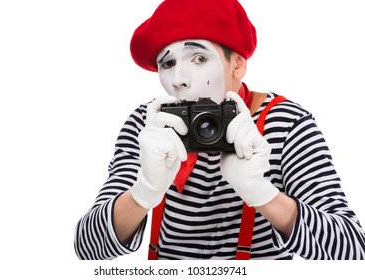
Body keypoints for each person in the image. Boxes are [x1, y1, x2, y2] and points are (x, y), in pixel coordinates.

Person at [74, 0, 365, 260]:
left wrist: (265, 195)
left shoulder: (287, 123)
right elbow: (88, 248)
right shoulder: (148, 124)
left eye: (199, 58)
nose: (178, 79)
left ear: (237, 65)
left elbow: (353, 252)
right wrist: (144, 191)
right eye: (168, 63)